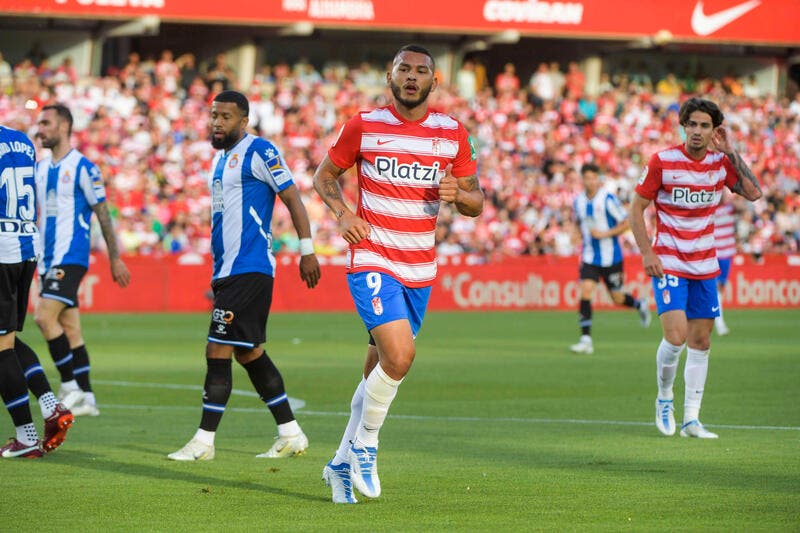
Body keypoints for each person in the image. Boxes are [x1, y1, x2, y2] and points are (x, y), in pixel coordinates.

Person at [313, 44, 483, 503]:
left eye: (421, 71)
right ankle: (367, 446)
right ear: (390, 77)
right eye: (403, 69)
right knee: (402, 357)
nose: (411, 76)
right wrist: (343, 214)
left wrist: (458, 195)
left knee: (381, 369)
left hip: (419, 268)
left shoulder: (452, 133)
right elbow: (324, 176)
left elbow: (476, 201)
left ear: (434, 81)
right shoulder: (364, 125)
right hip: (372, 258)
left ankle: (339, 464)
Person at [168, 90, 320, 461]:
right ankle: (291, 432)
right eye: (214, 116)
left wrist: (307, 250)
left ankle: (204, 442)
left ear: (243, 120)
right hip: (228, 270)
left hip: (249, 268)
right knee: (249, 353)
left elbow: (292, 198)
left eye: (225, 117)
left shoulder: (259, 151)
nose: (217, 123)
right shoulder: (221, 161)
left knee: (216, 348)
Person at [630, 97, 762, 440]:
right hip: (669, 260)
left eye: (705, 125)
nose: (698, 131)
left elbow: (754, 193)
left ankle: (691, 420)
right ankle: (663, 398)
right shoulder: (663, 161)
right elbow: (637, 208)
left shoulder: (721, 163)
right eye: (693, 124)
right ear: (683, 126)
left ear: (714, 130)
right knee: (675, 337)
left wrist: (731, 150)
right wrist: (647, 253)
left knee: (701, 341)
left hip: (705, 264)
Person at [33, 104, 131, 418]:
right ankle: (88, 398)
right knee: (71, 329)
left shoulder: (83, 168)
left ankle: (70, 387)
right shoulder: (40, 168)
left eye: (46, 123)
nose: (40, 129)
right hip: (46, 259)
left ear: (63, 126)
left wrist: (115, 257)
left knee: (43, 318)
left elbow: (102, 213)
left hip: (71, 256)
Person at [0, 124, 73, 458]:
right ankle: (49, 405)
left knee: (1, 346)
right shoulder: (21, 142)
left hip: (1, 248)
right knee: (8, 338)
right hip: (26, 245)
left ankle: (26, 436)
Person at [569, 163, 651, 355]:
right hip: (589, 256)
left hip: (611, 257)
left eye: (593, 177)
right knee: (585, 292)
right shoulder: (578, 201)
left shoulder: (607, 199)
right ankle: (585, 339)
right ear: (582, 179)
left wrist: (605, 234)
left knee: (616, 297)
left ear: (598, 179)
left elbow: (627, 222)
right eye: (586, 178)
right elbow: (578, 221)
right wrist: (575, 234)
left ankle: (640, 305)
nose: (590, 181)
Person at [713, 198, 736, 336]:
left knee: (720, 287)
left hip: (727, 253)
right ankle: (719, 322)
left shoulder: (730, 207)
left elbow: (742, 206)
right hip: (714, 252)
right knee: (714, 288)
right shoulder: (709, 207)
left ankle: (718, 320)